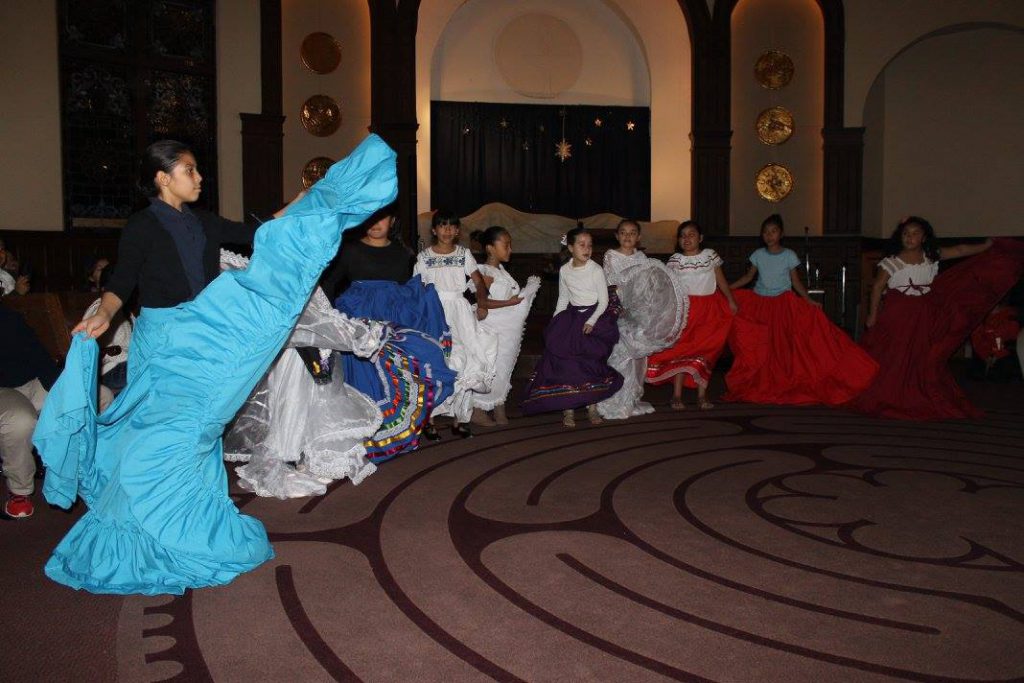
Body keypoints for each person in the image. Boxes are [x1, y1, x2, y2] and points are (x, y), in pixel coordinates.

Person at [33, 134, 398, 595]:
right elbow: (122, 280)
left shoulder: (203, 221)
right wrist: (104, 314)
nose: (199, 177)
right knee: (164, 436)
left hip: (205, 335)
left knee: (198, 433)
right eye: (190, 170)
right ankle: (138, 533)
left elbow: (260, 233)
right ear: (162, 178)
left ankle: (192, 526)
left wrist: (310, 197)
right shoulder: (142, 226)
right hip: (166, 343)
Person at [847, 217, 1024, 420]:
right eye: (905, 233)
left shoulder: (930, 256)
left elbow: (960, 250)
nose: (909, 237)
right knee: (895, 354)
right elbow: (878, 287)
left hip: (925, 314)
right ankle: (889, 394)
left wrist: (986, 245)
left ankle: (916, 392)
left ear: (924, 237)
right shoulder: (892, 261)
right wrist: (872, 315)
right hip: (898, 315)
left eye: (914, 233)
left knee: (922, 354)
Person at [331, 206, 458, 458]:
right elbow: (329, 285)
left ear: (393, 220)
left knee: (401, 370)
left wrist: (426, 297)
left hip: (393, 319)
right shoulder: (349, 250)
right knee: (364, 377)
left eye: (382, 217)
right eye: (370, 217)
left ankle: (390, 434)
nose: (376, 223)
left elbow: (407, 291)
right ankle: (362, 437)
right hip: (359, 320)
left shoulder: (403, 254)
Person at [725, 214, 878, 406]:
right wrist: (728, 289)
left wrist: (808, 300)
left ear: (781, 234)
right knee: (761, 344)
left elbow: (796, 282)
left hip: (782, 304)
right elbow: (748, 277)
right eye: (766, 232)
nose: (769, 235)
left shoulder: (789, 255)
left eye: (773, 231)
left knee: (783, 344)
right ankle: (762, 379)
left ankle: (782, 379)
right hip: (760, 303)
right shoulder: (758, 254)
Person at [521, 226, 623, 426]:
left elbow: (603, 301)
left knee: (590, 365)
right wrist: (556, 322)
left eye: (590, 245)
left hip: (595, 317)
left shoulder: (595, 269)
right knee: (567, 365)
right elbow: (563, 297)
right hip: (572, 317)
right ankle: (568, 409)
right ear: (570, 247)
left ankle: (592, 407)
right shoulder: (565, 270)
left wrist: (591, 321)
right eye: (582, 245)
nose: (587, 249)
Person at [414, 210, 498, 438]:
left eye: (452, 226)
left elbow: (479, 281)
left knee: (467, 359)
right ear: (434, 230)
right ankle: (428, 419)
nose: (447, 230)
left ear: (457, 230)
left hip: (459, 311)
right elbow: (417, 289)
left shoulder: (463, 254)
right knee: (434, 362)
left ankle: (460, 418)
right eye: (442, 225)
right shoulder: (424, 257)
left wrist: (482, 304)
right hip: (434, 312)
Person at [597, 219, 687, 420]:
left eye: (632, 233)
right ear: (617, 235)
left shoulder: (643, 259)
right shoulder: (611, 256)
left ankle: (629, 398)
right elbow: (612, 282)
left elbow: (648, 287)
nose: (627, 236)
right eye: (623, 232)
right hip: (618, 312)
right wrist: (620, 305)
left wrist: (649, 308)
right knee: (618, 354)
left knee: (636, 358)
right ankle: (612, 397)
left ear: (638, 237)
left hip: (638, 315)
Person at [646, 220, 737, 410]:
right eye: (683, 235)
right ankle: (677, 395)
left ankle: (702, 395)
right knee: (682, 349)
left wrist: (730, 299)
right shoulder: (675, 260)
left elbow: (720, 279)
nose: (687, 238)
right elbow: (669, 287)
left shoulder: (709, 256)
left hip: (709, 311)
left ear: (700, 238)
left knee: (705, 352)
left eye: (691, 234)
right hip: (686, 310)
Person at [469, 226, 540, 426]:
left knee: (504, 367)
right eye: (506, 245)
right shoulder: (486, 272)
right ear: (490, 248)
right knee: (491, 366)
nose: (510, 250)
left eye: (510, 245)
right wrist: (510, 303)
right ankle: (478, 408)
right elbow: (482, 301)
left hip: (507, 332)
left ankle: (498, 403)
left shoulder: (501, 271)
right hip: (493, 328)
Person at [0, 306, 60, 519]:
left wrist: (66, 391)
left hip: (30, 382)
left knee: (99, 397)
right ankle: (19, 490)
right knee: (20, 419)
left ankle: (92, 477)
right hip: (3, 391)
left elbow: (39, 357)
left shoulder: (9, 316)